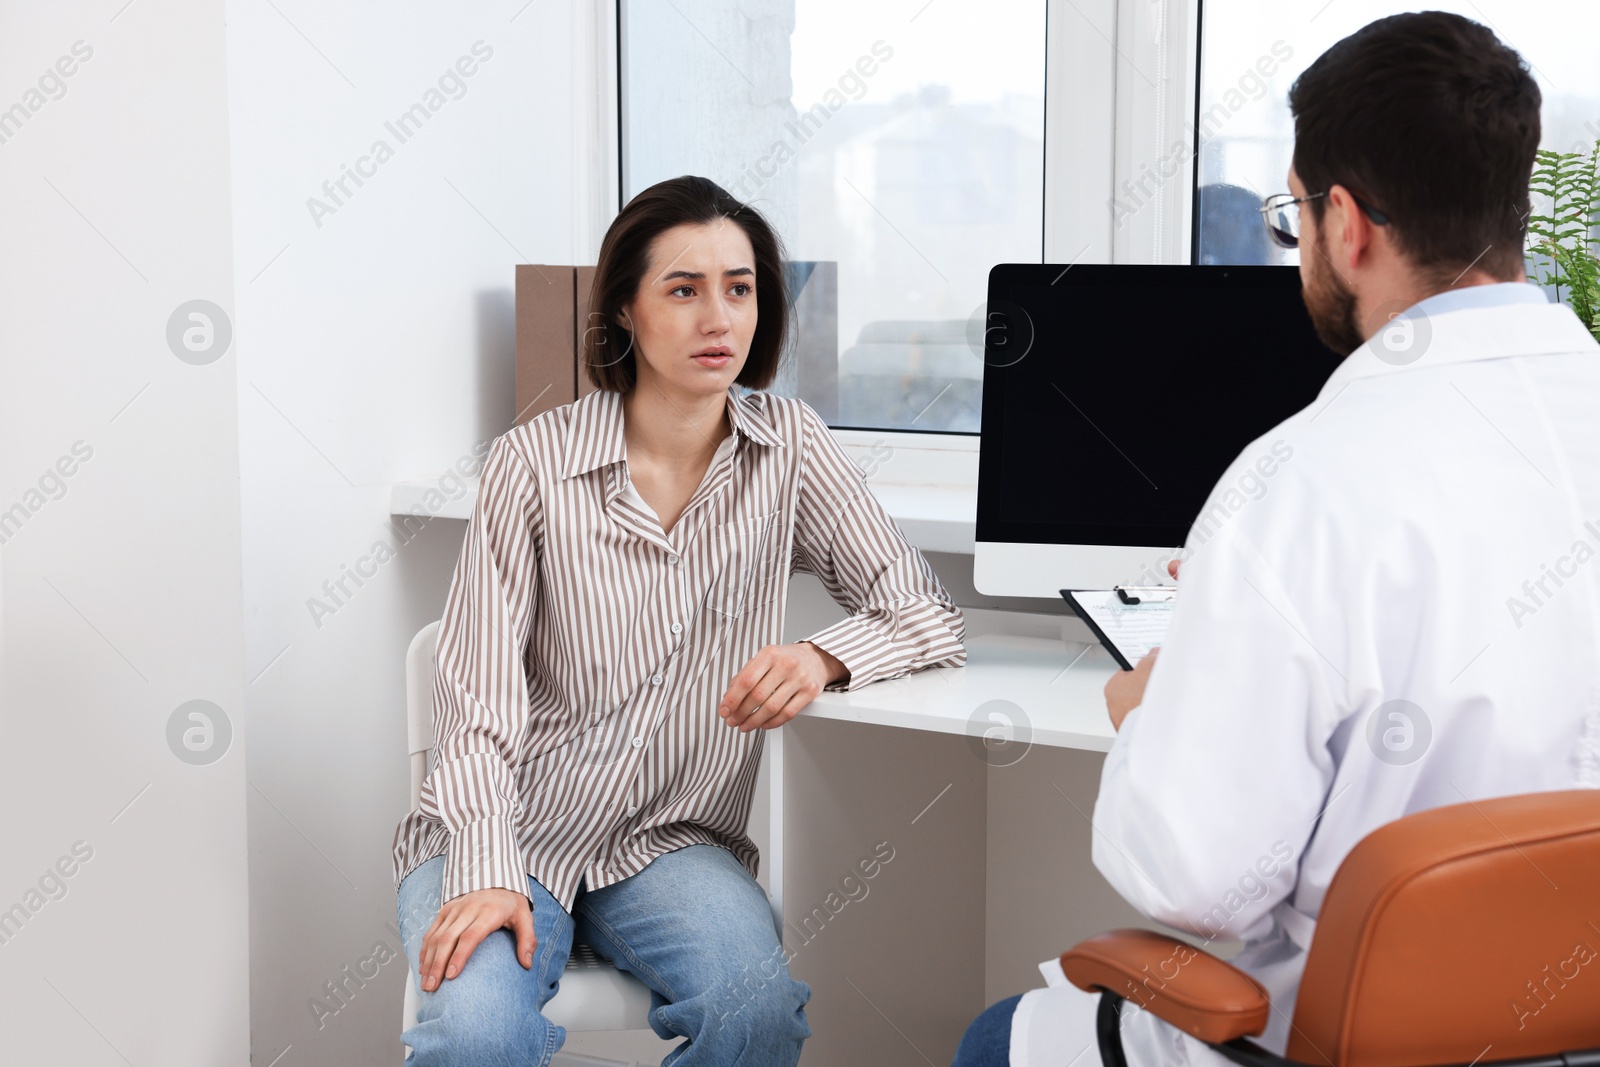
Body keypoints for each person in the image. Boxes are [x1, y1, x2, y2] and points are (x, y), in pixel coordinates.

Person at [954, 11, 1600, 1066]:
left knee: (996, 1037)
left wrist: (1154, 713)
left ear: (1343, 223)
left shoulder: (1299, 479)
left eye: (1290, 215)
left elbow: (1197, 877)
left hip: (1344, 1037)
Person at [391, 174, 966, 1067]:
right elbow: (474, 699)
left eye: (739, 288)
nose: (718, 318)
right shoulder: (532, 464)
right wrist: (486, 866)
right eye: (683, 289)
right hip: (508, 824)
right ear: (624, 308)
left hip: (672, 839)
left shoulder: (792, 447)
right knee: (480, 1034)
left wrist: (824, 655)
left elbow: (922, 611)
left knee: (758, 1016)